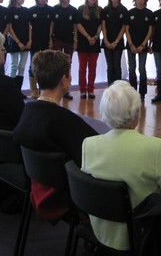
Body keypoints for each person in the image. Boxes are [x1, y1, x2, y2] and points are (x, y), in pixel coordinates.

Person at [82, 81, 161, 252]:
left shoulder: (88, 145)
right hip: (143, 236)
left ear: (104, 112)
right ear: (136, 113)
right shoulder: (156, 148)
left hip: (100, 231)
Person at [14, 50, 97, 222]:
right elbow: (96, 155)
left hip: (39, 192)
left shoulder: (27, 111)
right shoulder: (65, 121)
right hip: (67, 197)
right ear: (64, 80)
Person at [50, 0, 79, 99]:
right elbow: (51, 25)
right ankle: (55, 88)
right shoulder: (54, 9)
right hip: (56, 40)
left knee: (67, 65)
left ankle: (65, 90)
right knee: (56, 64)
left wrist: (75, 41)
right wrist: (50, 39)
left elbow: (75, 27)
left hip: (69, 41)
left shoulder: (73, 10)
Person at [125, 0, 154, 101]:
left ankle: (142, 94)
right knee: (131, 68)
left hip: (143, 46)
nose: (140, 1)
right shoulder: (130, 12)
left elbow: (150, 31)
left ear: (145, 0)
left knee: (142, 69)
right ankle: (132, 92)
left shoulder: (149, 13)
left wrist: (143, 45)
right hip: (131, 45)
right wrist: (131, 45)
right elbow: (126, 30)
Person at [76, 0, 102, 99]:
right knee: (82, 68)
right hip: (83, 42)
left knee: (92, 68)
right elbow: (78, 25)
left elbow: (101, 25)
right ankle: (82, 90)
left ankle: (91, 89)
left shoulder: (100, 10)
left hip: (95, 42)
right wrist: (87, 37)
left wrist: (95, 37)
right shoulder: (81, 9)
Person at [28, 0, 52, 99]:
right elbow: (29, 27)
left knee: (46, 66)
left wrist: (50, 39)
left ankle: (43, 89)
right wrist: (29, 40)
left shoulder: (50, 10)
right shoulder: (31, 10)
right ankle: (33, 90)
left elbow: (52, 26)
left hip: (46, 42)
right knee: (33, 65)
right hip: (34, 42)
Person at [101, 0, 127, 86]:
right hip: (107, 41)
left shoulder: (124, 10)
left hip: (118, 42)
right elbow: (103, 26)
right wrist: (106, 41)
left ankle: (118, 88)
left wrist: (116, 42)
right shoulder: (105, 10)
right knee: (110, 66)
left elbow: (124, 28)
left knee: (117, 65)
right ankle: (110, 88)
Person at [6, 0, 31, 91]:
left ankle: (18, 91)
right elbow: (9, 28)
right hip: (15, 42)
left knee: (22, 67)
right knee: (14, 66)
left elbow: (30, 26)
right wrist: (18, 42)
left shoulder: (25, 10)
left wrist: (30, 40)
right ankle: (11, 91)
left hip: (26, 42)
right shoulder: (9, 10)